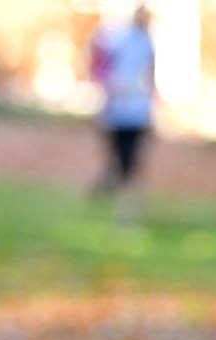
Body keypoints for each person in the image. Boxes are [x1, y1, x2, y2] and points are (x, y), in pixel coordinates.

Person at [92, 4, 155, 220]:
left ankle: (126, 208)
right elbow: (100, 66)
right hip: (119, 110)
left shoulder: (147, 42)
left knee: (131, 162)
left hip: (137, 112)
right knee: (119, 160)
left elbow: (150, 75)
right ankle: (115, 196)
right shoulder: (117, 39)